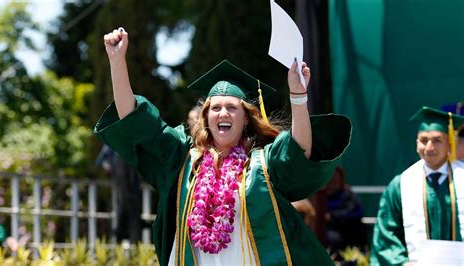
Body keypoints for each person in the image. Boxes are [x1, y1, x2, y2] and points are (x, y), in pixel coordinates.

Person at [95, 27, 351, 265]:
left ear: (245, 119)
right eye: (215, 108)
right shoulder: (183, 161)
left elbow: (298, 150)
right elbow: (135, 119)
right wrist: (117, 61)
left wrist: (298, 96)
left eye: (232, 108)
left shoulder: (262, 166)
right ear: (206, 117)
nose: (223, 113)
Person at [370, 106, 464, 265]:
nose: (429, 147)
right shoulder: (401, 184)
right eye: (424, 140)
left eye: (437, 140)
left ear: (449, 144)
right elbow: (386, 234)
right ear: (416, 144)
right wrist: (402, 263)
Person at [324, 166, 367, 253]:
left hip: (349, 230)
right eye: (330, 181)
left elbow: (358, 212)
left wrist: (333, 215)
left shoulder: (348, 195)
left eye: (335, 181)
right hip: (331, 233)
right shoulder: (320, 198)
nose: (331, 184)